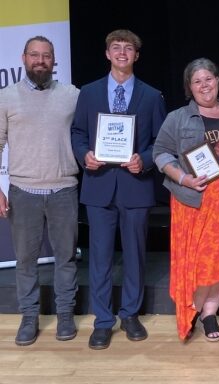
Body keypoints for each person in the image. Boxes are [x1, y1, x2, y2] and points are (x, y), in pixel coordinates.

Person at [153, 58, 219, 342]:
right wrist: (182, 178)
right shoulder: (178, 118)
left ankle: (209, 314)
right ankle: (193, 309)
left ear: (218, 80)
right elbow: (161, 153)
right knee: (201, 264)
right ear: (189, 87)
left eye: (209, 79)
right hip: (200, 203)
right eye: (197, 81)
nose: (204, 85)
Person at [71, 29, 167, 350]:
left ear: (136, 56)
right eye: (116, 47)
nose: (122, 52)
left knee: (135, 256)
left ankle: (129, 314)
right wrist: (84, 154)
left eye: (129, 48)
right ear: (107, 54)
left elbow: (161, 143)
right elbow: (78, 132)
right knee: (99, 257)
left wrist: (147, 160)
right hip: (99, 187)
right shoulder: (89, 92)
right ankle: (102, 321)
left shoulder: (152, 96)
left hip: (135, 187)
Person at [0, 36, 80, 346]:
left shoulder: (72, 95)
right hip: (23, 191)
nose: (40, 61)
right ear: (24, 58)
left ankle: (64, 315)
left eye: (46, 56)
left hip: (64, 190)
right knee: (25, 261)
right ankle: (29, 317)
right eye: (34, 55)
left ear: (54, 61)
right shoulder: (6, 96)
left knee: (66, 259)